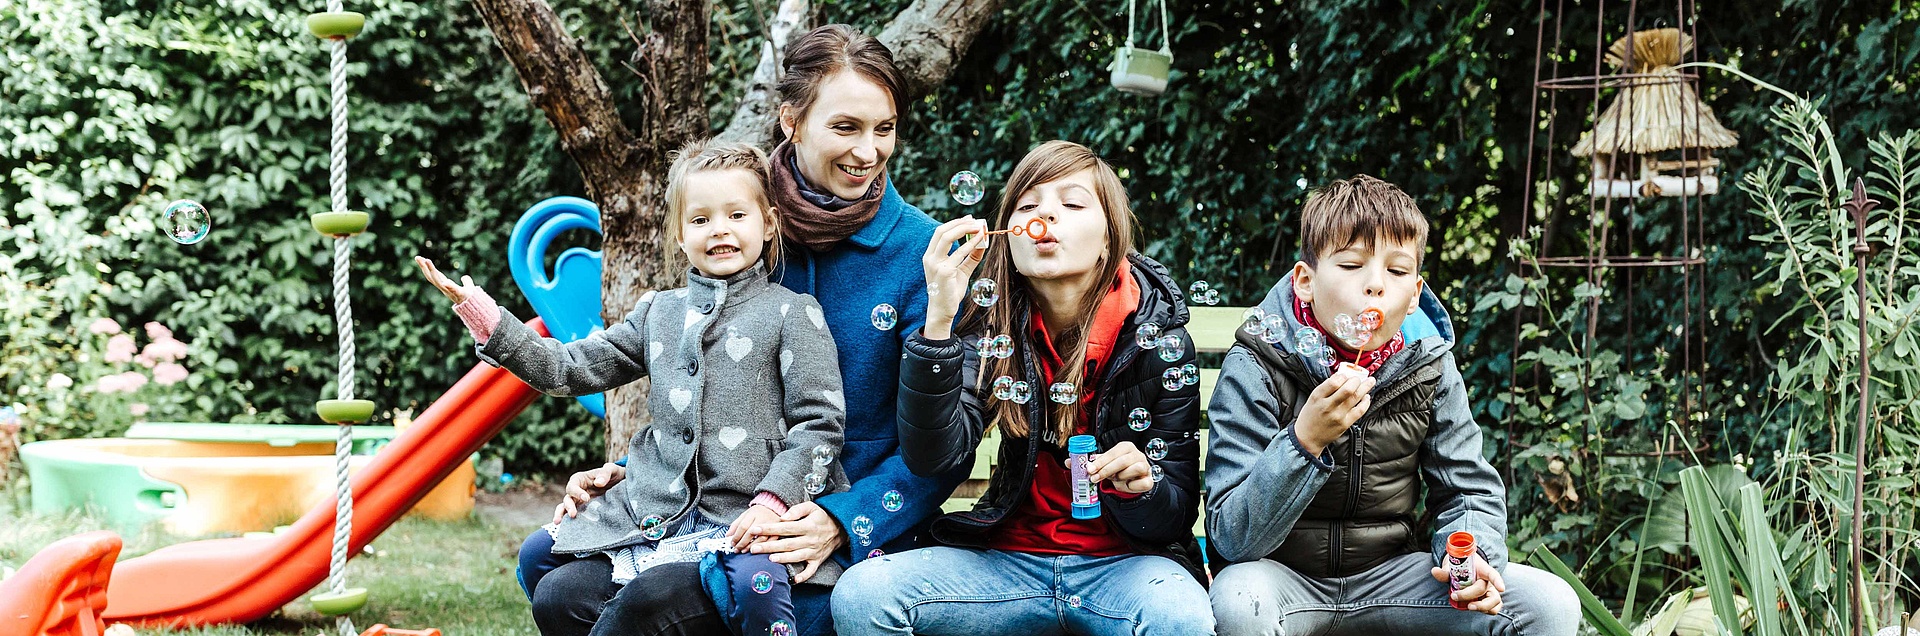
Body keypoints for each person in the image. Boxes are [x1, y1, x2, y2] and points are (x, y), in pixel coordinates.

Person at [512, 24, 967, 635]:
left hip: (830, 536)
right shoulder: (732, 219)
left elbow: (946, 445)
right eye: (845, 127)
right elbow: (713, 382)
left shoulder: (924, 256)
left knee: (649, 607)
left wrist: (838, 518)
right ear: (790, 121)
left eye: (883, 128)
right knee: (557, 589)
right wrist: (641, 471)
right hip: (712, 509)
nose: (868, 151)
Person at [420, 140, 845, 636]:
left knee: (756, 591)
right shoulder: (657, 313)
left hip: (747, 516)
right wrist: (488, 320)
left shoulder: (792, 312)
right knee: (546, 568)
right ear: (681, 236)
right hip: (656, 512)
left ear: (768, 223)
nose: (720, 230)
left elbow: (820, 423)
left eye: (736, 214)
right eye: (701, 219)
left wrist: (774, 499)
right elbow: (571, 368)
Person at [831, 140, 1215, 636]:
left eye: (1072, 204)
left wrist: (1144, 489)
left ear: (1109, 239)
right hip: (1008, 561)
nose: (1045, 216)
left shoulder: (1157, 341)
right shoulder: (989, 327)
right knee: (865, 595)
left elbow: (1174, 514)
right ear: (1008, 235)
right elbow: (934, 458)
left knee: (1180, 617)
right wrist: (940, 319)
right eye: (1028, 205)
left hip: (1126, 568)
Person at [1203, 175, 1579, 635]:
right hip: (1282, 581)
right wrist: (1304, 441)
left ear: (1416, 293)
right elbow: (1232, 537)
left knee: (1549, 604)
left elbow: (1467, 489)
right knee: (1239, 601)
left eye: (1397, 271)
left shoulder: (1427, 366)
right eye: (1351, 265)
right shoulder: (1257, 365)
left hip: (1392, 578)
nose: (1376, 286)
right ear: (1305, 281)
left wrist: (1471, 558)